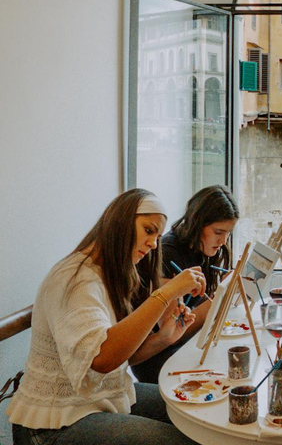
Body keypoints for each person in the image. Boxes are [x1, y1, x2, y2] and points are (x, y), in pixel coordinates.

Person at [8, 189, 205, 445]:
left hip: (97, 398)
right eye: (148, 230)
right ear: (121, 222)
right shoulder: (74, 278)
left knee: (193, 412)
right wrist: (165, 294)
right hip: (52, 423)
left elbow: (120, 358)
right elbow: (102, 359)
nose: (154, 244)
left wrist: (164, 338)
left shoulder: (108, 275)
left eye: (157, 235)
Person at [131, 184, 239, 383]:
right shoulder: (168, 252)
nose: (223, 240)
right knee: (224, 375)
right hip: (157, 357)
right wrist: (219, 299)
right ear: (198, 223)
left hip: (185, 345)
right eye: (218, 232)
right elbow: (174, 331)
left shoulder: (203, 250)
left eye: (228, 233)